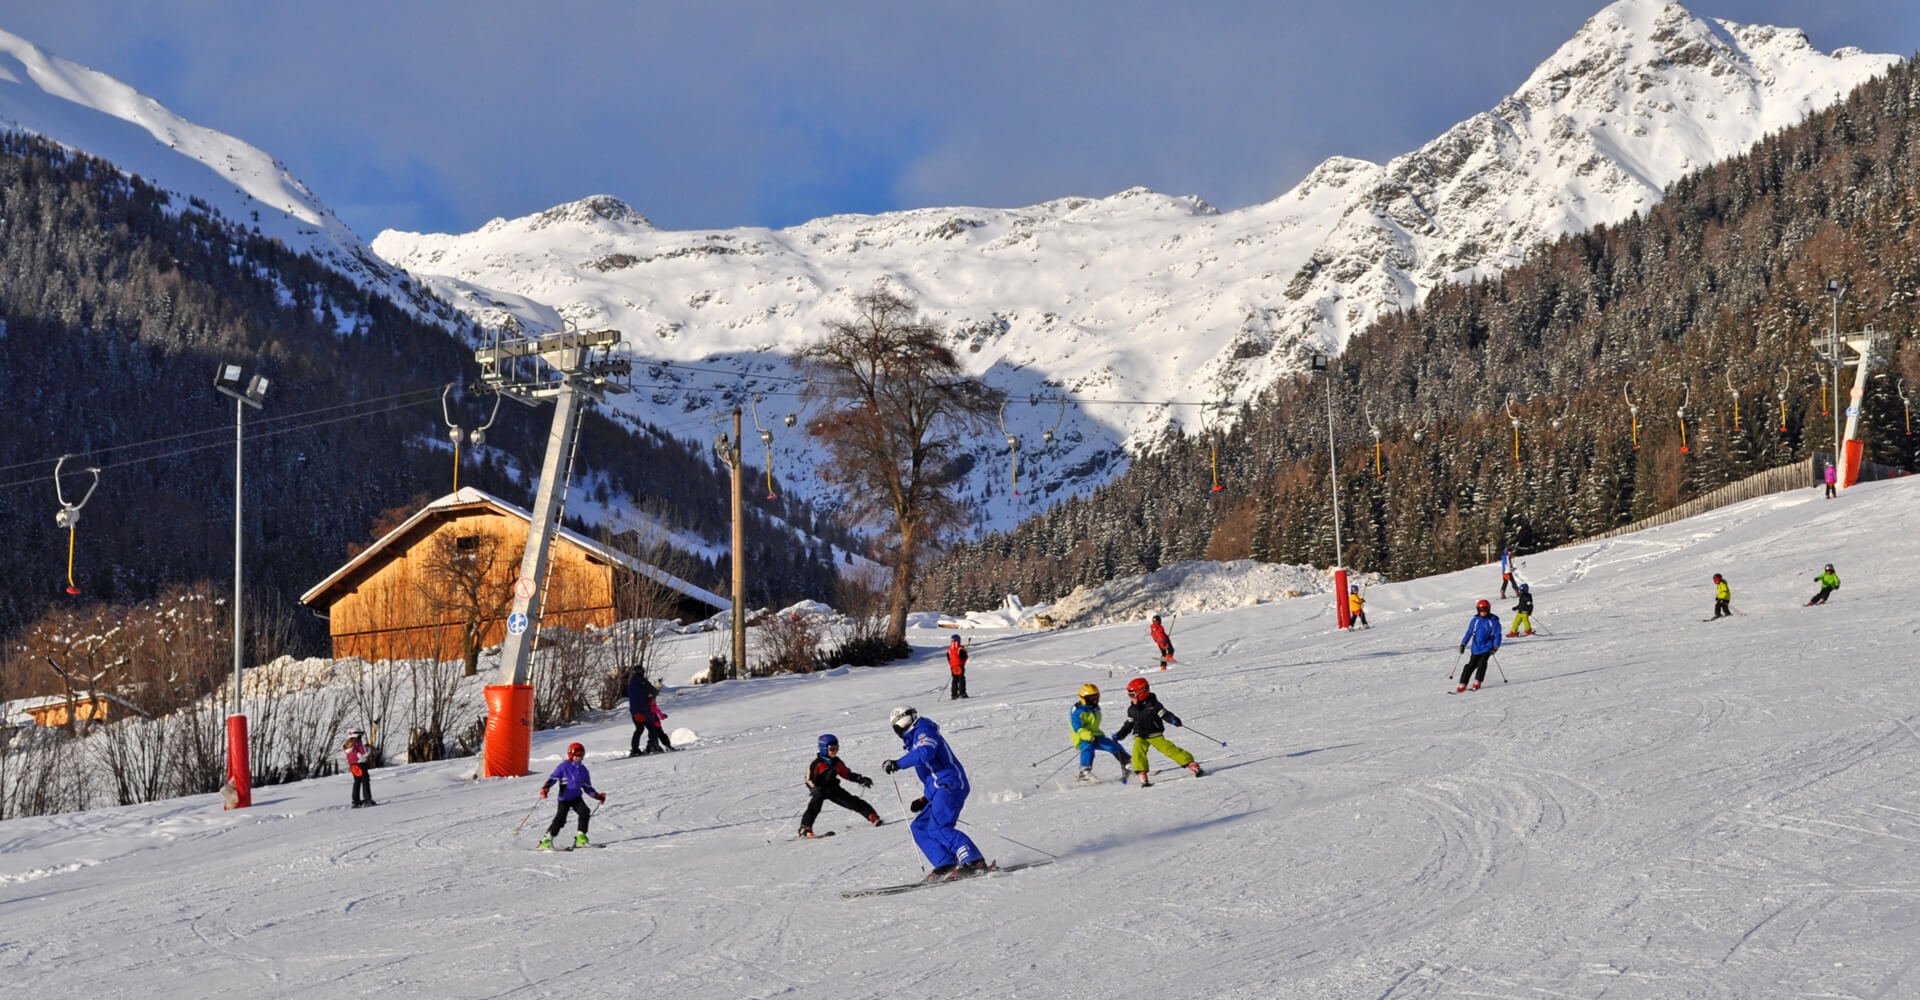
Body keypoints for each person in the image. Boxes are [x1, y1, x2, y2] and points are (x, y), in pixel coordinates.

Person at [880, 706, 987, 879]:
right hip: (940, 789)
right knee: (919, 827)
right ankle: (945, 862)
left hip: (951, 784)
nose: (897, 732)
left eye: (896, 728)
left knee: (939, 827)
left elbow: (926, 753)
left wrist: (897, 763)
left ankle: (974, 861)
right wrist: (924, 799)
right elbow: (932, 777)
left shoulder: (924, 731)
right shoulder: (914, 740)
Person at [1113, 677, 1201, 787]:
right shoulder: (1132, 709)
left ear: (1142, 693)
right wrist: (1120, 734)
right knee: (1138, 752)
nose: (1131, 698)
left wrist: (1173, 719)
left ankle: (1189, 763)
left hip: (1155, 734)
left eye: (1132, 695)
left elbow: (1165, 714)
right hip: (1140, 735)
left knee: (1168, 748)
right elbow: (1129, 724)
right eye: (1129, 695)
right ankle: (1141, 772)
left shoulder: (1154, 705)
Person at [800, 734, 882, 838]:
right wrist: (813, 789)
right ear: (823, 749)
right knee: (814, 807)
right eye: (832, 749)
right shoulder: (816, 764)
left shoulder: (836, 762)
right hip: (820, 790)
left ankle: (872, 816)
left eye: (836, 748)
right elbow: (808, 779)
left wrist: (860, 779)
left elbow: (846, 774)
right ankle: (805, 828)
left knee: (852, 801)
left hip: (833, 789)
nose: (835, 751)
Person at [537, 742, 606, 850]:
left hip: (576, 797)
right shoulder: (563, 767)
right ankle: (546, 840)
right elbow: (553, 779)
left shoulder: (583, 770)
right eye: (577, 754)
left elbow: (587, 787)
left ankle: (580, 838)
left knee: (585, 812)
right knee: (560, 819)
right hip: (564, 798)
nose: (579, 757)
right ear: (571, 754)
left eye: (581, 754)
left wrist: (597, 796)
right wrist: (546, 788)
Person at [1069, 684, 1132, 784]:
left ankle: (1128, 764)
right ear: (1083, 698)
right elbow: (1077, 728)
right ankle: (1084, 773)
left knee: (1112, 746)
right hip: (1082, 738)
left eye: (1096, 697)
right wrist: (1088, 736)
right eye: (1091, 698)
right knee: (1088, 748)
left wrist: (1094, 735)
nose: (1094, 700)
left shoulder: (1094, 708)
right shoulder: (1077, 711)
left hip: (1096, 735)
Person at [1456, 598, 1503, 692]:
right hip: (1476, 647)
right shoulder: (1475, 620)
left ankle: (1477, 681)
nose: (1483, 612)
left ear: (1488, 610)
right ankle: (1463, 683)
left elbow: (1498, 635)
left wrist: (1495, 646)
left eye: (1485, 610)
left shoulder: (1493, 621)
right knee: (1470, 665)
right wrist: (1463, 644)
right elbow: (1469, 632)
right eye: (1481, 610)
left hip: (1487, 647)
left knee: (1482, 663)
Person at [626, 667, 673, 756]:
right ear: (642, 672)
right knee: (652, 729)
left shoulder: (631, 683)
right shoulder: (643, 682)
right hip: (645, 710)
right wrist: (657, 687)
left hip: (634, 711)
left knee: (639, 730)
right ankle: (653, 746)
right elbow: (654, 692)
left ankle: (635, 749)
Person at [343, 729, 377, 808]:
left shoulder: (347, 744)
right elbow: (364, 753)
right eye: (360, 735)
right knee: (365, 781)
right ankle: (367, 799)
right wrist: (368, 749)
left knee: (357, 782)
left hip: (353, 765)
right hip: (360, 764)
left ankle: (356, 801)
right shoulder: (357, 742)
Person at [946, 635, 969, 700]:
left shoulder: (949, 649)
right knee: (961, 679)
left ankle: (954, 694)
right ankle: (962, 693)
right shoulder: (960, 649)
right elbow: (963, 657)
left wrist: (952, 665)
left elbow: (948, 658)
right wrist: (966, 654)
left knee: (955, 680)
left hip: (953, 667)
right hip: (960, 666)